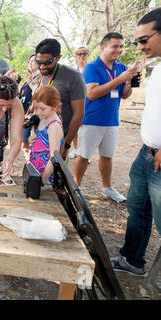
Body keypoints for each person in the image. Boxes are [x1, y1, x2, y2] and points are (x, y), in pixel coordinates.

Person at [111, 8, 161, 277]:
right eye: (137, 41)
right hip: (146, 152)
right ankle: (133, 260)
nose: (140, 47)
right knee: (137, 207)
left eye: (144, 39)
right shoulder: (159, 68)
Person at [73, 33, 137, 203]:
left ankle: (107, 188)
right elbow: (92, 93)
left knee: (107, 155)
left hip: (112, 120)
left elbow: (124, 95)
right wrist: (119, 79)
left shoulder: (121, 67)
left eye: (121, 46)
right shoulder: (92, 67)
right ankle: (75, 188)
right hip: (92, 120)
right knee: (84, 155)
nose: (119, 50)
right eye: (115, 46)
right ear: (103, 47)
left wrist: (128, 83)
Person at [34, 38, 86, 160]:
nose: (42, 67)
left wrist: (66, 145)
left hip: (59, 139)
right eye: (38, 62)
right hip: (42, 136)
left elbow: (79, 114)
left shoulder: (74, 77)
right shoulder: (44, 74)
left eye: (47, 62)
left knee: (55, 176)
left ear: (58, 58)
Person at [28, 86, 64, 184]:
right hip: (35, 169)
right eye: (35, 108)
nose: (38, 112)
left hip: (44, 175)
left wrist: (42, 180)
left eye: (43, 109)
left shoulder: (54, 127)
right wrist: (31, 140)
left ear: (55, 107)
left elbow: (54, 157)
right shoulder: (43, 119)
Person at [69, 47, 90, 159]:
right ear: (76, 56)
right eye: (79, 54)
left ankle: (85, 154)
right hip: (75, 103)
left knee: (86, 131)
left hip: (88, 104)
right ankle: (77, 150)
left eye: (84, 54)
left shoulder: (91, 69)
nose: (82, 56)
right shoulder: (73, 71)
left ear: (88, 55)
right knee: (75, 129)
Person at [20, 54, 40, 158]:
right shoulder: (29, 77)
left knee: (34, 140)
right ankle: (28, 161)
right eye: (29, 61)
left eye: (33, 61)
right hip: (25, 114)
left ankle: (33, 163)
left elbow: (38, 93)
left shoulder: (41, 76)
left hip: (36, 114)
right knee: (24, 141)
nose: (30, 63)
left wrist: (29, 80)